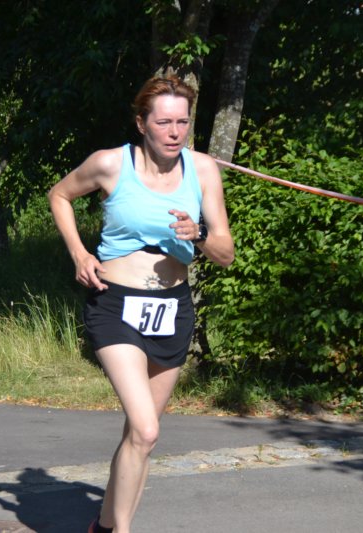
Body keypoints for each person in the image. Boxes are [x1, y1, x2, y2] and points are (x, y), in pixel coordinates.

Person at [47, 75, 234, 533]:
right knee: (147, 428)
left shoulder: (203, 170)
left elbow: (225, 253)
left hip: (172, 308)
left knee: (140, 437)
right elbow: (60, 195)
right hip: (116, 305)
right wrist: (80, 254)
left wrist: (199, 234)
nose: (175, 132)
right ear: (141, 124)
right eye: (164, 122)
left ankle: (105, 525)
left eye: (182, 122)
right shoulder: (110, 163)